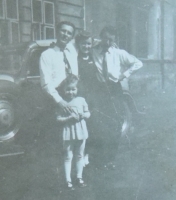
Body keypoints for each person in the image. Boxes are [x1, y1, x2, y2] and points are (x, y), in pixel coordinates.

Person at [91, 26, 143, 169]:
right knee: (100, 123)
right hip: (100, 89)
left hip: (115, 88)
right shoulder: (93, 50)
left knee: (115, 123)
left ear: (114, 40)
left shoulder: (118, 53)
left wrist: (124, 75)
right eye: (105, 38)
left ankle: (111, 159)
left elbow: (138, 63)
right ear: (101, 37)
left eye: (111, 39)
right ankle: (100, 157)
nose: (107, 42)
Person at [56, 74, 90, 190]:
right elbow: (58, 118)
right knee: (68, 156)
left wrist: (83, 115)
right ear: (64, 90)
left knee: (80, 155)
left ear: (77, 89)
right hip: (68, 132)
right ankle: (68, 180)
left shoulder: (81, 100)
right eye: (68, 89)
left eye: (73, 89)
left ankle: (79, 177)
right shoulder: (62, 103)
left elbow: (88, 113)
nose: (71, 92)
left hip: (81, 131)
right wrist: (69, 118)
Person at [40, 21, 78, 113]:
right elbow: (46, 84)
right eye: (63, 31)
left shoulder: (72, 53)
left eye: (69, 33)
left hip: (72, 95)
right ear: (57, 32)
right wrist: (59, 101)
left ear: (71, 37)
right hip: (56, 99)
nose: (66, 35)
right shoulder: (47, 55)